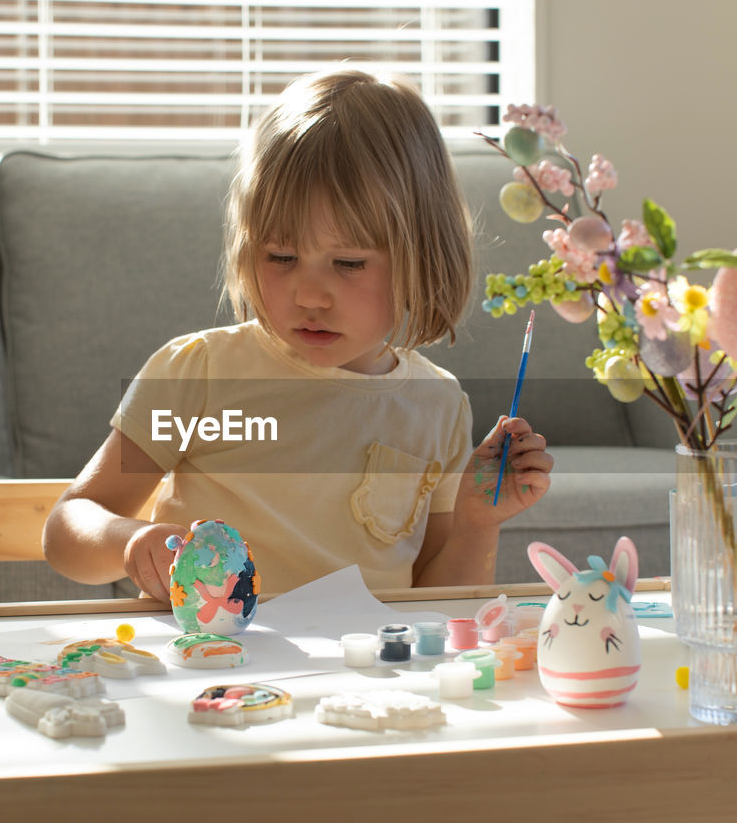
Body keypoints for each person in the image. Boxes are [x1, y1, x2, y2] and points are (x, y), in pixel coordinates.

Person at [43, 68, 552, 601]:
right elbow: (66, 529)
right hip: (219, 669)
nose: (309, 295)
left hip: (361, 678)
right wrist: (130, 542)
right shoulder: (200, 373)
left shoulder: (439, 404)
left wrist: (478, 525)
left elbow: (437, 606)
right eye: (281, 256)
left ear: (422, 257)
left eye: (349, 262)